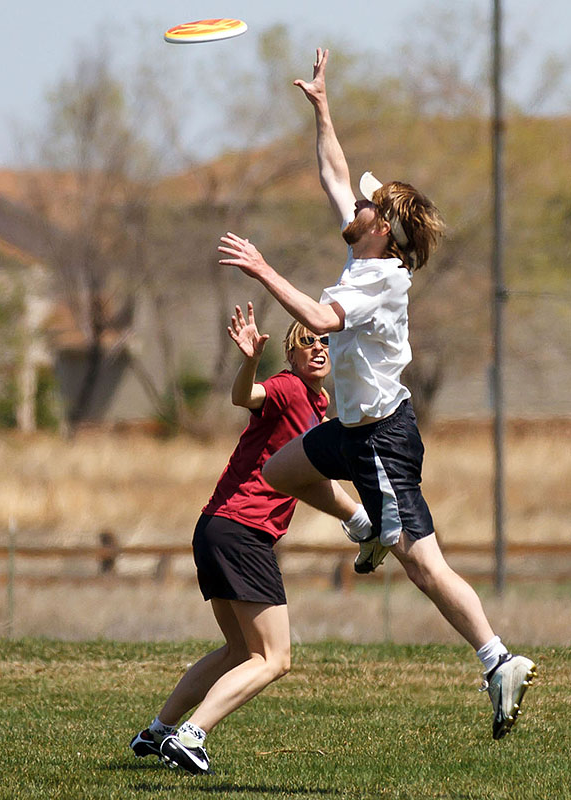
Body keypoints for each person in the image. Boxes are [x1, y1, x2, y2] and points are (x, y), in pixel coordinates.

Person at [217, 48, 536, 741]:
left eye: (366, 203)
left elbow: (324, 320)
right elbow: (334, 171)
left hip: (382, 440)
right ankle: (363, 527)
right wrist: (323, 109)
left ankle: (497, 659)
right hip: (356, 433)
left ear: (382, 227)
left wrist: (264, 268)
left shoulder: (378, 279)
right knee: (281, 470)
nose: (353, 203)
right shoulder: (364, 250)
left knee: (422, 561)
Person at [129, 302, 371, 775]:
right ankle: (191, 736)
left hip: (215, 528)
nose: (319, 347)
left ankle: (157, 732)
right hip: (242, 532)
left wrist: (357, 517)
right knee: (275, 658)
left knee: (240, 651)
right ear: (291, 354)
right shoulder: (287, 388)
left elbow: (313, 480)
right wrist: (247, 361)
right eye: (308, 341)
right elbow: (247, 396)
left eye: (325, 341)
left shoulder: (317, 404)